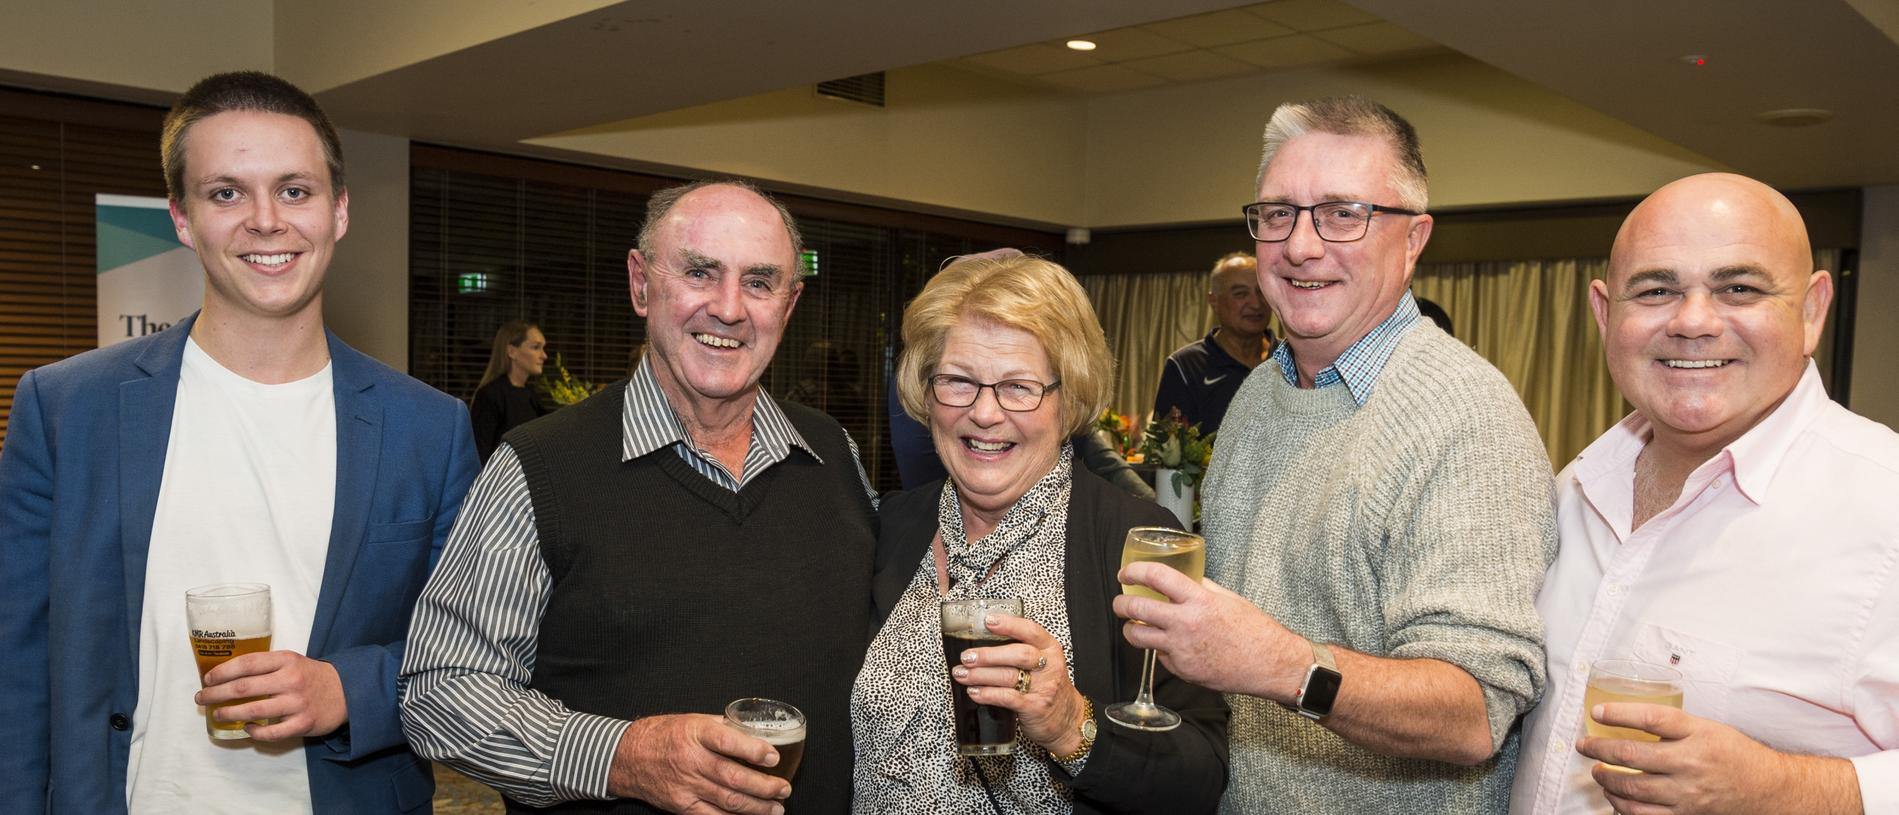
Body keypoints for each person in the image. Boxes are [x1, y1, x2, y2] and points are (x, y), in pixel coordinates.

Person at [0, 71, 479, 812]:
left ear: (339, 209)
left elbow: (473, 657)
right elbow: (18, 664)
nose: (266, 220)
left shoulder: (429, 428)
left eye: (295, 190)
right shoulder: (65, 408)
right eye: (226, 192)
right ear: (182, 218)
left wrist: (346, 687)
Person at [1116, 96, 1557, 813]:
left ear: (1413, 239)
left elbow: (1475, 710)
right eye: (1278, 213)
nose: (1300, 245)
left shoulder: (1465, 413)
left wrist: (1283, 666)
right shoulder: (1260, 393)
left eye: (1342, 213)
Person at [401, 179, 879, 814]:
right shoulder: (538, 466)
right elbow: (441, 691)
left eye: (759, 283)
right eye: (701, 273)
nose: (730, 308)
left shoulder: (832, 451)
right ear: (640, 283)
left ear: (788, 307)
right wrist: (622, 756)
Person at [1508, 173, 1898, 815]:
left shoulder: (1885, 508)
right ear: (1606, 315)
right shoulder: (1572, 491)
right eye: (1656, 290)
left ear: (1810, 310)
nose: (1692, 321)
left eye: (1737, 288)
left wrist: (1782, 788)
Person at [855, 253, 1227, 814]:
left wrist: (1072, 726)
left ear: (1068, 398)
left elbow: (1199, 778)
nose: (984, 413)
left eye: (1018, 386)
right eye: (958, 381)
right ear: (926, 393)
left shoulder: (1136, 540)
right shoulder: (893, 525)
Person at [1150, 252, 1274, 436]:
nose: (1256, 304)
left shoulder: (1295, 358)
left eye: (1262, 291)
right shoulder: (1185, 366)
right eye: (1241, 294)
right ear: (1214, 301)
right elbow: (1166, 449)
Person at [470, 319, 549, 462]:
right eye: (536, 347)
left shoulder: (533, 396)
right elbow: (479, 454)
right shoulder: (491, 395)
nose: (544, 355)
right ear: (512, 351)